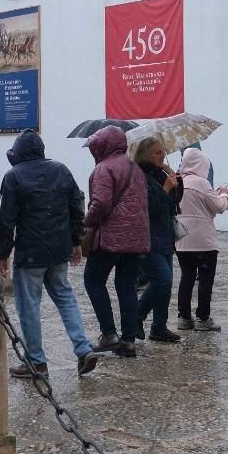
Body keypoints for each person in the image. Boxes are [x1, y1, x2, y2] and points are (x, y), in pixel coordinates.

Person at [0, 131, 97, 378]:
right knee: (65, 297)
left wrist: (2, 253)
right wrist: (76, 241)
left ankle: (36, 361)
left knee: (29, 305)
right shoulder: (60, 170)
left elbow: (7, 220)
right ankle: (83, 348)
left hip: (31, 251)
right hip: (59, 247)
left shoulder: (13, 177)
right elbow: (76, 207)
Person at [80, 125, 147, 358]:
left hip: (110, 237)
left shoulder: (103, 169)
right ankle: (128, 341)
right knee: (127, 286)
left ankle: (108, 333)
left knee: (93, 280)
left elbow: (100, 204)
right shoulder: (135, 168)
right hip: (136, 238)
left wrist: (86, 221)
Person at [131, 136, 184, 343]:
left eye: (163, 151)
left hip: (164, 235)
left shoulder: (161, 173)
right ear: (146, 154)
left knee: (166, 283)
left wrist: (177, 184)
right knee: (162, 279)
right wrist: (166, 189)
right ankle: (137, 316)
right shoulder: (139, 176)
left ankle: (159, 327)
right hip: (148, 236)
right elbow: (148, 208)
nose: (162, 155)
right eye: (157, 152)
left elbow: (172, 205)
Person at [175, 148, 228, 332]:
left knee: (187, 278)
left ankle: (183, 317)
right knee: (205, 280)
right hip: (203, 241)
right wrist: (224, 194)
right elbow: (219, 207)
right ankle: (203, 318)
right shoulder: (202, 183)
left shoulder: (177, 182)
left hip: (182, 240)